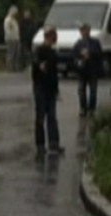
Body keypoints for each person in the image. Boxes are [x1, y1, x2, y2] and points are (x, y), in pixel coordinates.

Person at [32, 26, 64, 155]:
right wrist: (40, 67)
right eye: (53, 36)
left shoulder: (51, 52)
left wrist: (56, 89)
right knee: (42, 117)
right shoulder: (41, 51)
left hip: (48, 88)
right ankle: (43, 144)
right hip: (42, 88)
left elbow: (54, 74)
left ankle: (51, 143)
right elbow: (36, 68)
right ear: (49, 36)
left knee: (50, 117)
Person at [73, 23, 102, 117]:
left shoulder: (95, 42)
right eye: (83, 30)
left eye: (86, 30)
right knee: (81, 91)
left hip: (92, 70)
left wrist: (90, 53)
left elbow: (99, 54)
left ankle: (91, 109)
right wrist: (78, 61)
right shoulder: (78, 43)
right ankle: (83, 108)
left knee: (93, 91)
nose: (85, 32)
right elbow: (74, 56)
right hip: (82, 71)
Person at [3, 5, 20, 71]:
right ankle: (9, 67)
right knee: (11, 53)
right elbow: (8, 30)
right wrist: (10, 37)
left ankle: (14, 67)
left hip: (16, 38)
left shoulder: (14, 20)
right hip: (10, 39)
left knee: (16, 53)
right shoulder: (8, 20)